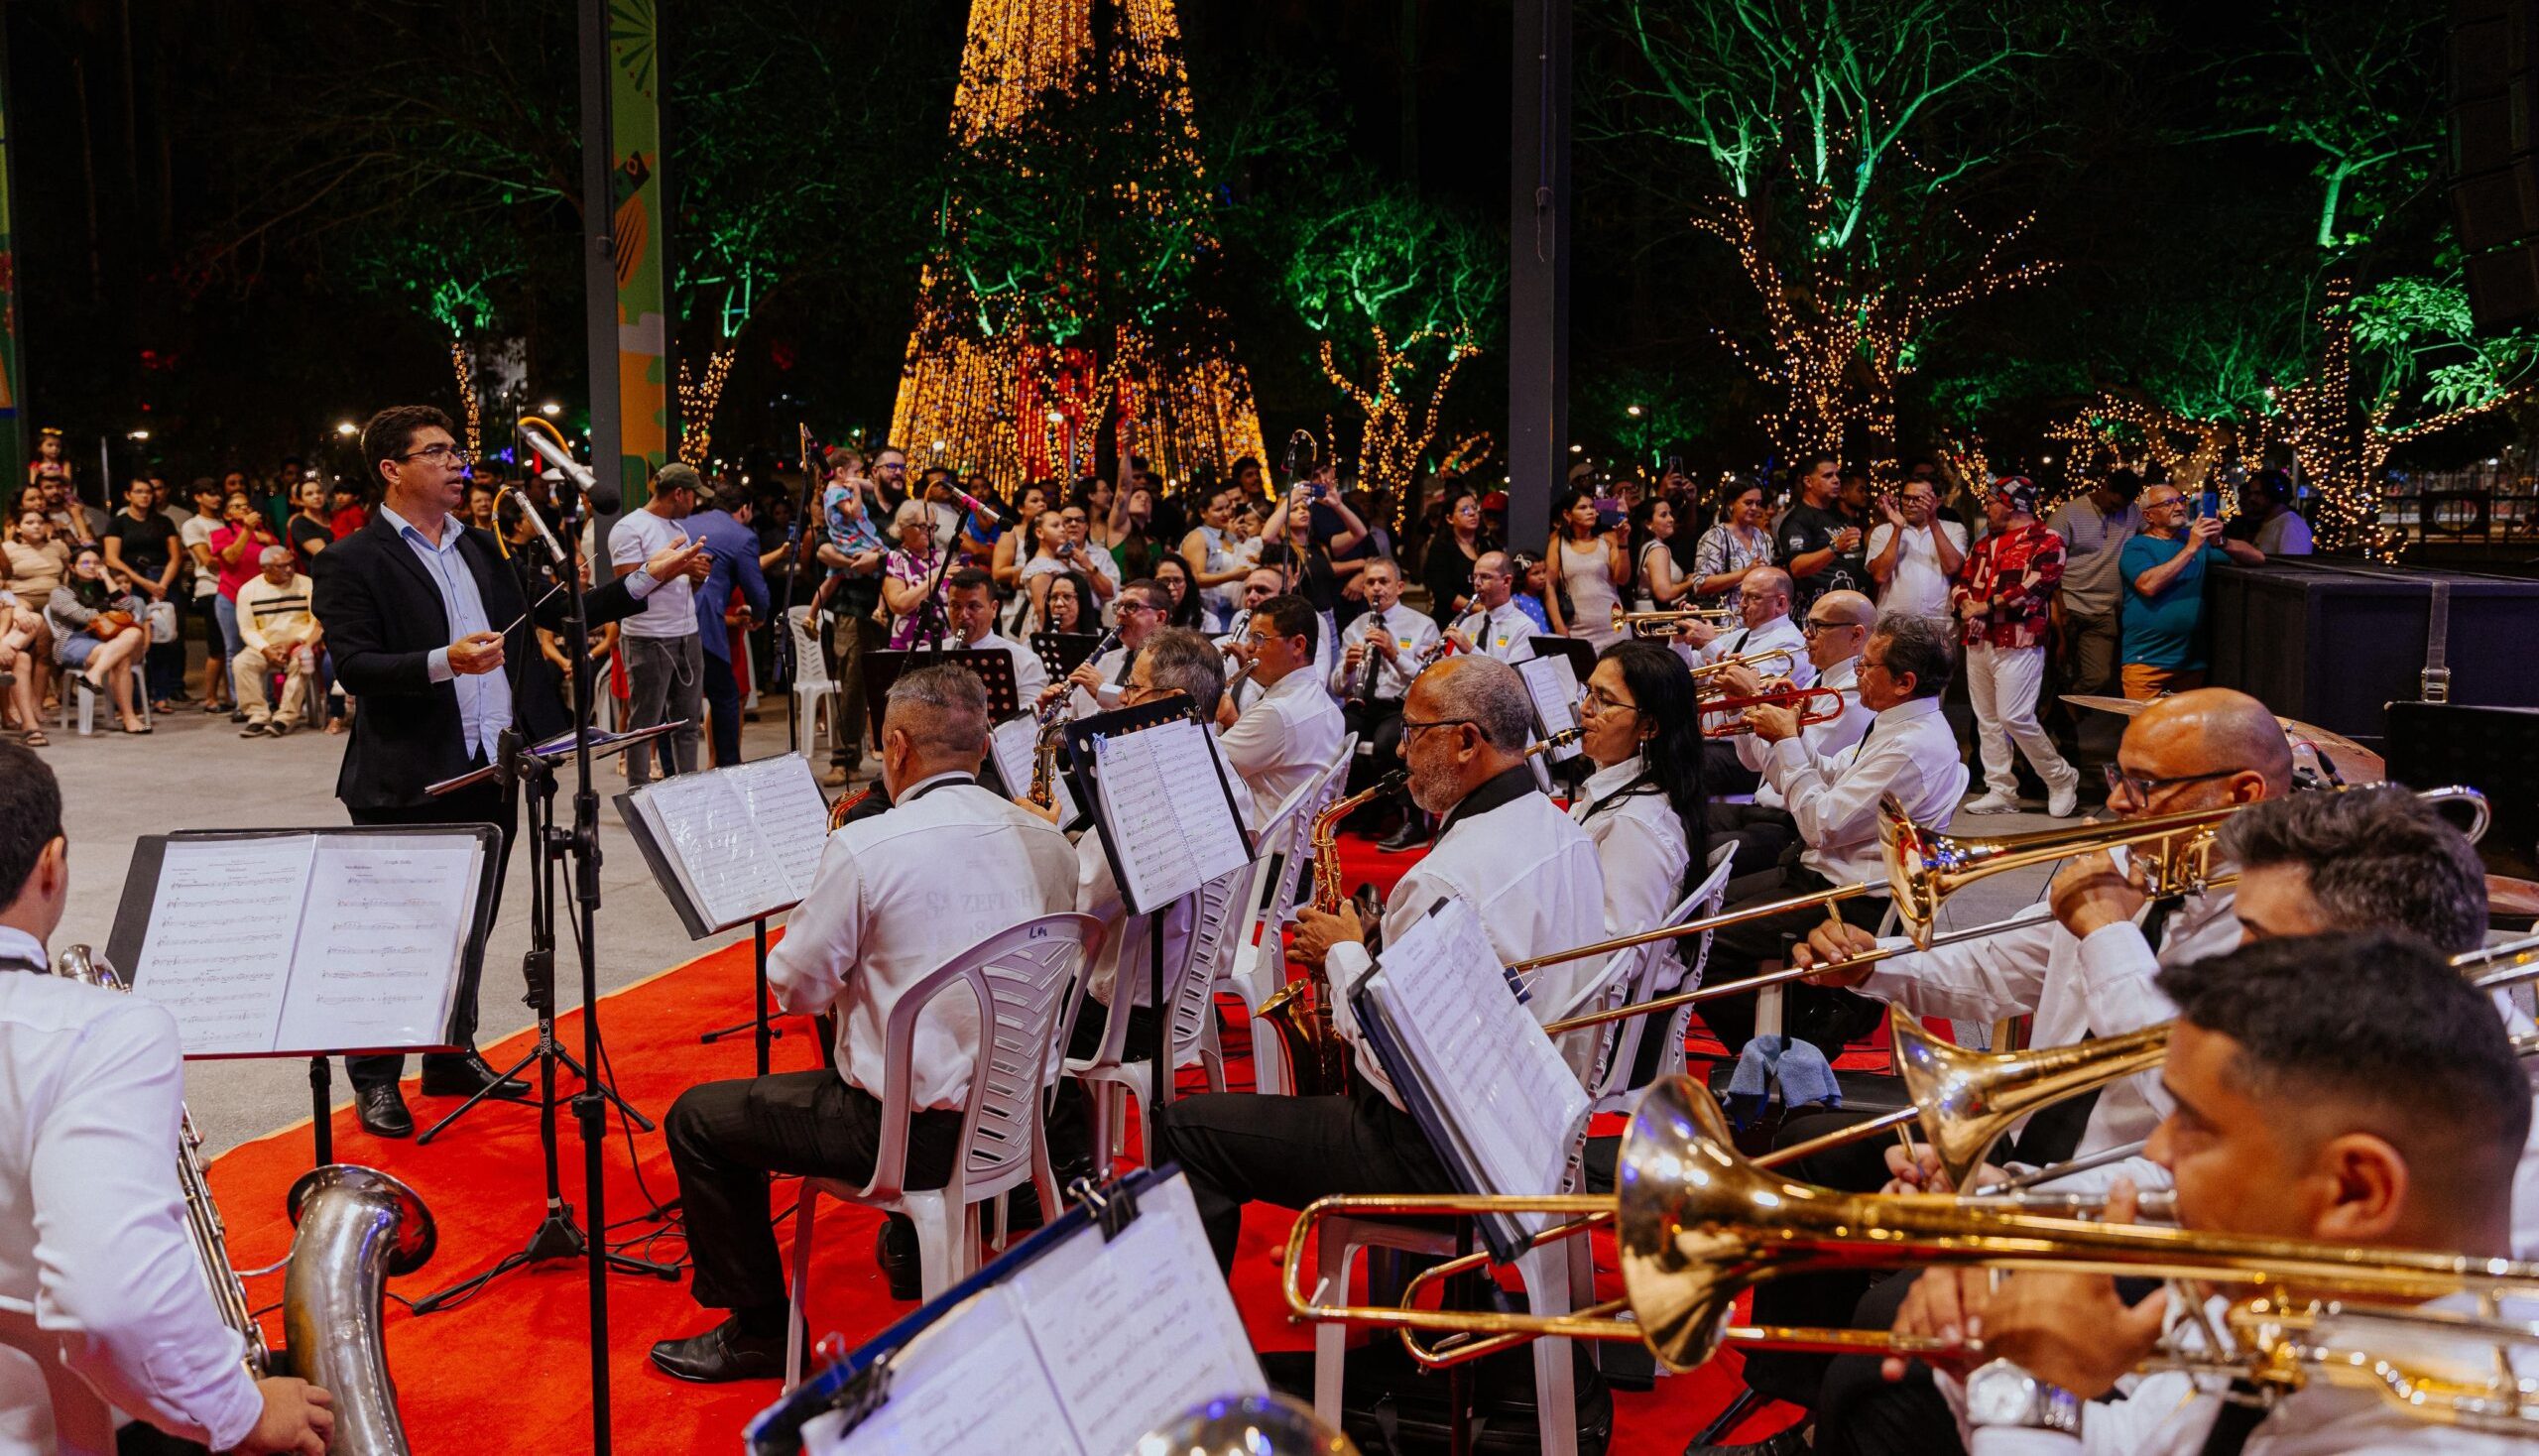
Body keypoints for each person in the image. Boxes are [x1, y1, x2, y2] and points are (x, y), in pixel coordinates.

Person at [1892, 931, 2530, 1456]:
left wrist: (2026, 1384)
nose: (2155, 1150)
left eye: (2193, 1124)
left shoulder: (2438, 1439)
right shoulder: (2265, 1293)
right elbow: (2132, 1443)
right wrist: (1992, 1358)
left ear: (2355, 1189)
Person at [649, 666, 1078, 1377]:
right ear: (982, 749)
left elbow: (796, 989)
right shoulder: (1048, 842)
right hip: (1019, 1113)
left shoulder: (868, 845)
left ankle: (758, 1330)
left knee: (699, 1118)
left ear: (898, 748)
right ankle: (910, 1250)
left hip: (904, 1139)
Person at [312, 405, 707, 1138]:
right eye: (437, 453)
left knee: (470, 924)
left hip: (490, 767)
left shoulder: (480, 550)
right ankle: (374, 1079)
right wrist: (444, 662)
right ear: (392, 471)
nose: (458, 463)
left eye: (458, 451)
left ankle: (449, 1053)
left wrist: (648, 579)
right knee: (396, 933)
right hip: (406, 776)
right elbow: (356, 667)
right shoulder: (352, 560)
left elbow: (563, 614)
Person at [1152, 656, 1607, 1270]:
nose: (1401, 753)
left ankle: (1204, 1359)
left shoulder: (1445, 875)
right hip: (1530, 1120)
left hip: (1445, 1150)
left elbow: (1397, 1061)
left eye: (1414, 734)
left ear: (1467, 741)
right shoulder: (1563, 830)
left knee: (1187, 1129)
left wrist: (1341, 954)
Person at [0, 742, 341, 1453]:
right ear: (52, 865)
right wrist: (238, 1411)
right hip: (57, 1423)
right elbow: (108, 1304)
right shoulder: (97, 1034)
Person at [1686, 610, 1965, 1062]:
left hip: (1851, 898)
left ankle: (1797, 1047)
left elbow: (1820, 825)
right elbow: (1825, 776)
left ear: (1904, 682)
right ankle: (1784, 1035)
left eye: (1866, 665)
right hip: (1816, 874)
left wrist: (1789, 740)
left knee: (1701, 944)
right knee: (1699, 907)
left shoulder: (1912, 746)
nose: (1856, 674)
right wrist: (1786, 729)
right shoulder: (1897, 724)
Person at [1573, 641, 1710, 1079]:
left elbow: (1619, 961)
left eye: (1604, 701)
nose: (1585, 710)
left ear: (1648, 727)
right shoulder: (1620, 793)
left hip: (1605, 1035)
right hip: (1599, 1009)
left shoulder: (1635, 826)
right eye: (1587, 693)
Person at [1710, 588, 1879, 878]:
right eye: (1807, 623)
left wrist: (1754, 698)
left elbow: (1782, 778)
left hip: (1789, 826)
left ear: (1856, 634)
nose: (1805, 634)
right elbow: (1752, 763)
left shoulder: (1851, 696)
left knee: (1693, 853)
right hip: (1760, 808)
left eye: (1818, 626)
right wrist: (1738, 707)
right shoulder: (1819, 679)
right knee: (1672, 817)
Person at [1952, 475, 2081, 817]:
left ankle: (2060, 777)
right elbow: (1963, 582)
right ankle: (2001, 790)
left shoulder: (2047, 540)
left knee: (2015, 716)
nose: (1987, 507)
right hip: (1980, 639)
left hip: (2019, 640)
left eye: (1993, 501)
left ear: (2013, 505)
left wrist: (1987, 606)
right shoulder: (1985, 543)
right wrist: (1966, 605)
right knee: (1988, 720)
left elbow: (2036, 587)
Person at [1331, 557, 1442, 851]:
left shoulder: (1422, 625)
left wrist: (1394, 654)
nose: (1376, 588)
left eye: (1383, 582)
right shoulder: (1355, 627)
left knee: (1389, 741)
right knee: (1333, 732)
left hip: (1402, 705)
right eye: (1370, 582)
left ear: (1400, 587)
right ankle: (1347, 811)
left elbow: (1427, 679)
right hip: (1362, 702)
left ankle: (1413, 822)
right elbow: (1337, 687)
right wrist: (1347, 668)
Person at [2117, 482, 2262, 700]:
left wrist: (2220, 541)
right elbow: (2148, 585)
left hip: (2190, 662)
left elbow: (2257, 558)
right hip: (2146, 661)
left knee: (2185, 734)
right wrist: (2192, 547)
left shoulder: (2194, 543)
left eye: (2180, 500)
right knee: (2146, 732)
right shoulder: (2137, 546)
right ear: (2149, 515)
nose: (2178, 507)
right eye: (2168, 503)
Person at [1217, 592, 1346, 809]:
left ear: (1297, 645)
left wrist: (1211, 715)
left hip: (1266, 840)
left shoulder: (1276, 713)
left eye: (1258, 639)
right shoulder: (1323, 702)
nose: (1248, 648)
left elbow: (1205, 769)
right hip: (1303, 837)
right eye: (1249, 638)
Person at [684, 482, 772, 768]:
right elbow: (756, 590)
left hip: (672, 620)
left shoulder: (686, 523)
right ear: (744, 509)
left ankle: (675, 772)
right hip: (706, 624)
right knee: (726, 699)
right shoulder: (742, 536)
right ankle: (727, 767)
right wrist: (759, 616)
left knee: (677, 704)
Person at [816, 452, 889, 787]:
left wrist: (880, 556)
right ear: (873, 472)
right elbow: (822, 546)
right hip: (854, 607)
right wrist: (851, 560)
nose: (896, 472)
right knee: (852, 687)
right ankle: (845, 760)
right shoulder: (849, 497)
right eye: (890, 467)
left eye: (901, 467)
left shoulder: (902, 508)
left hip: (897, 606)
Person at [2042, 469, 2141, 702]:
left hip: (2105, 610)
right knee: (2055, 674)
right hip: (2070, 606)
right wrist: (2060, 608)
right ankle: (2057, 725)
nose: (2117, 511)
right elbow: (2049, 565)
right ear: (2105, 486)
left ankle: (2062, 713)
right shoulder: (2068, 514)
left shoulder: (2133, 512)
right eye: (2114, 503)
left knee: (2098, 676)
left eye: (2123, 507)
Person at [46, 546, 152, 734]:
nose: (92, 566)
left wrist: (109, 579)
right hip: (74, 641)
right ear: (72, 567)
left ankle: (94, 674)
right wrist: (110, 613)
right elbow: (82, 616)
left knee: (134, 634)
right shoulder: (60, 593)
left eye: (97, 563)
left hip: (108, 642)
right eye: (86, 562)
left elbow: (129, 608)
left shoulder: (106, 589)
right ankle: (129, 718)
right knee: (122, 656)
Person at [101, 477, 183, 711]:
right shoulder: (118, 523)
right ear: (128, 495)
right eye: (139, 491)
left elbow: (175, 556)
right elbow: (112, 558)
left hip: (163, 579)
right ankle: (135, 698)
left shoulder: (164, 521)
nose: (145, 496)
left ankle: (161, 695)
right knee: (134, 637)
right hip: (132, 579)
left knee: (163, 638)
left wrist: (162, 585)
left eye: (148, 492)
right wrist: (144, 583)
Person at [1044, 577, 1169, 719]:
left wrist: (1104, 692)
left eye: (1131, 606)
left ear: (1159, 617)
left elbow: (1156, 716)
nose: (1121, 613)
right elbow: (1070, 720)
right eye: (1119, 606)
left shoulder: (1174, 662)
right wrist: (1051, 714)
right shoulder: (1103, 661)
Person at [232, 546, 320, 737]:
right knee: (241, 662)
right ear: (265, 569)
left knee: (302, 660)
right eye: (281, 566)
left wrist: (297, 642)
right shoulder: (249, 590)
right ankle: (257, 716)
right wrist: (266, 649)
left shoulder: (306, 584)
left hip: (299, 642)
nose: (289, 569)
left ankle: (285, 717)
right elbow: (247, 629)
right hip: (266, 645)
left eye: (290, 564)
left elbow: (316, 622)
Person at [211, 490, 282, 707]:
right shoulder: (221, 534)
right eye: (237, 507)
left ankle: (268, 698)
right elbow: (231, 557)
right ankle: (242, 701)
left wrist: (266, 538)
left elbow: (280, 558)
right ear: (227, 514)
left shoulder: (264, 534)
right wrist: (247, 530)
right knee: (234, 649)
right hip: (230, 596)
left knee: (265, 646)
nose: (244, 509)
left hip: (261, 598)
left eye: (247, 506)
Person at [1864, 476, 1967, 624]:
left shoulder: (1954, 529)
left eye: (1919, 499)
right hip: (1894, 624)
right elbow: (1880, 576)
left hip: (1939, 624)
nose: (1910, 504)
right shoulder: (1883, 531)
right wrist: (1898, 528)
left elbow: (1952, 567)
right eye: (1906, 498)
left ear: (1937, 502)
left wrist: (1932, 519)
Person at [940, 566, 1048, 706]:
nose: (963, 615)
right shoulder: (925, 655)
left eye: (973, 606)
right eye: (955, 606)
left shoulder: (1025, 661)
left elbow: (1031, 718)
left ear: (994, 608)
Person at [1778, 455, 1868, 612]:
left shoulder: (1841, 516)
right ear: (1808, 482)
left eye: (1837, 475)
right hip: (1817, 612)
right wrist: (1835, 548)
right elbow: (1797, 567)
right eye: (1828, 476)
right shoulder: (1797, 520)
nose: (1836, 480)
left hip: (1850, 609)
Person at [1544, 486, 1628, 649]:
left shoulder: (1609, 539)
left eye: (1592, 507)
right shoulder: (1557, 544)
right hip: (1577, 631)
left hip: (1614, 627)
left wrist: (1623, 543)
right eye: (1583, 507)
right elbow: (1549, 587)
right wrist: (1558, 625)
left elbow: (1622, 579)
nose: (1590, 511)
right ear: (1567, 515)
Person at [179, 478, 232, 713]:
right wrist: (235, 558)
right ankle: (210, 697)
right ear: (197, 497)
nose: (216, 497)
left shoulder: (226, 522)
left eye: (218, 493)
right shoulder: (194, 525)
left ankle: (229, 696)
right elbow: (206, 560)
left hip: (233, 587)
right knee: (217, 647)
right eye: (209, 493)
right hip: (210, 588)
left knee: (232, 647)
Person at [1443, 550, 1537, 663]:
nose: (1477, 583)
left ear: (1506, 581)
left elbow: (1511, 676)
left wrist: (1471, 650)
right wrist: (1440, 657)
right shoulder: (1466, 623)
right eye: (1474, 577)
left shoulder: (1525, 628)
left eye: (1485, 577)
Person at [1628, 495, 1691, 613]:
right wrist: (1692, 582)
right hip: (1655, 620)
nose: (1671, 519)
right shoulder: (1658, 549)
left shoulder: (1649, 546)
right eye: (1663, 515)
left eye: (1670, 513)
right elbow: (1664, 593)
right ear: (1648, 524)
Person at [2233, 466, 2313, 556]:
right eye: (2251, 493)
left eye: (2258, 493)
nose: (2252, 498)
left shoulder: (2291, 525)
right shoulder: (2269, 522)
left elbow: (2291, 568)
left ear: (2273, 493)